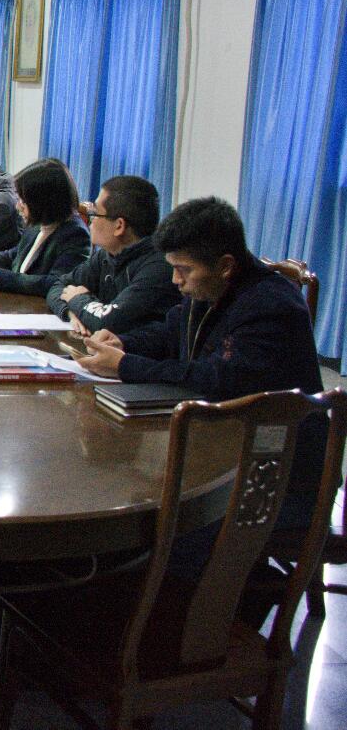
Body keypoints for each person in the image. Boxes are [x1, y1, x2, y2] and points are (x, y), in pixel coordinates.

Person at [76, 197, 325, 542]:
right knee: (126, 495)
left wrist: (126, 365)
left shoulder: (270, 306)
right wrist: (124, 343)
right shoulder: (212, 288)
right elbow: (169, 333)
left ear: (225, 265)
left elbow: (216, 380)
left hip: (277, 478)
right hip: (225, 451)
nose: (175, 280)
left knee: (156, 527)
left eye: (183, 269)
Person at [45, 175, 180, 334]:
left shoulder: (158, 268)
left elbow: (109, 322)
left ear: (119, 226)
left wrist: (77, 300)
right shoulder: (106, 255)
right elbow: (58, 286)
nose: (90, 221)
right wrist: (70, 311)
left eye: (95, 213)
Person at [0, 159, 90, 294]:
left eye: (24, 201)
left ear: (43, 201)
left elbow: (55, 283)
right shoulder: (38, 224)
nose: (18, 206)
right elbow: (15, 255)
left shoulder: (75, 234)